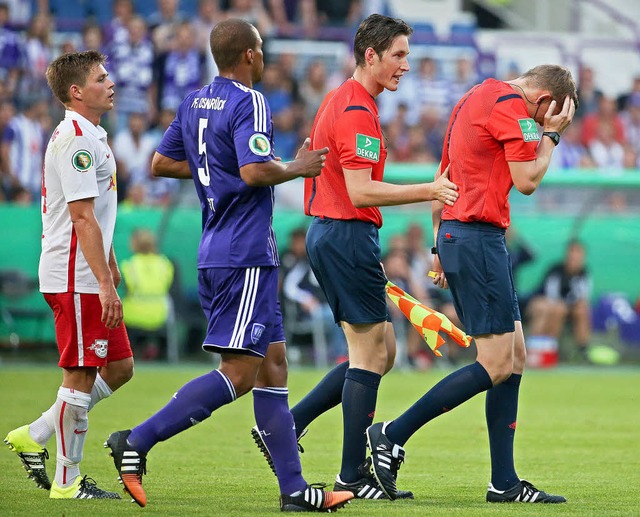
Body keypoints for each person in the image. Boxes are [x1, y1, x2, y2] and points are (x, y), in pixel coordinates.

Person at [104, 18, 353, 512]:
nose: (263, 56)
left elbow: (159, 163)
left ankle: (294, 490)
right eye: (261, 48)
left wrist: (213, 169)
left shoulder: (196, 101)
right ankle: (136, 441)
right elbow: (256, 170)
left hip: (220, 250)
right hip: (244, 255)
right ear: (248, 55)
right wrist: (297, 168)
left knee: (273, 364)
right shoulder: (250, 100)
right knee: (239, 373)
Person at [256, 14, 459, 501]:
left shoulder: (346, 101)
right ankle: (351, 475)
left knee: (383, 350)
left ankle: (287, 424)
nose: (405, 65)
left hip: (338, 234)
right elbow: (361, 191)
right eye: (399, 55)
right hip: (346, 235)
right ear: (371, 55)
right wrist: (429, 189)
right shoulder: (355, 110)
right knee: (370, 354)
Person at [365, 64, 577, 504]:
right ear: (544, 102)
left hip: (466, 235)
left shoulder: (474, 97)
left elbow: (445, 172)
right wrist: (552, 137)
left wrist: (441, 248)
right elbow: (527, 181)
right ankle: (392, 433)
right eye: (544, 117)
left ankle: (504, 482)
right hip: (477, 236)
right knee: (498, 363)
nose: (538, 127)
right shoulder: (514, 106)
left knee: (515, 356)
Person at [4, 50, 134, 499]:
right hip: (74, 275)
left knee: (119, 367)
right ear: (77, 92)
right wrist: (101, 283)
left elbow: (96, 214)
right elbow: (81, 218)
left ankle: (35, 435)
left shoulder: (91, 133)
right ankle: (67, 480)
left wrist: (111, 263)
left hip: (88, 271)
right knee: (78, 377)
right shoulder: (77, 139)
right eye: (101, 78)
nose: (111, 83)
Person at [526, 239, 593, 361]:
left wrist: (573, 304)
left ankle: (583, 350)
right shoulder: (556, 269)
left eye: (578, 254)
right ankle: (542, 349)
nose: (574, 257)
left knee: (582, 309)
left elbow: (583, 296)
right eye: (572, 253)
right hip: (545, 302)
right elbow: (551, 295)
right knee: (557, 310)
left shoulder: (583, 273)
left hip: (566, 306)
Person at [120, 228, 175, 360]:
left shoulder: (128, 265)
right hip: (159, 315)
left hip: (133, 316)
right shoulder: (165, 263)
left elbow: (124, 289)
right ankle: (154, 350)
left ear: (134, 244)